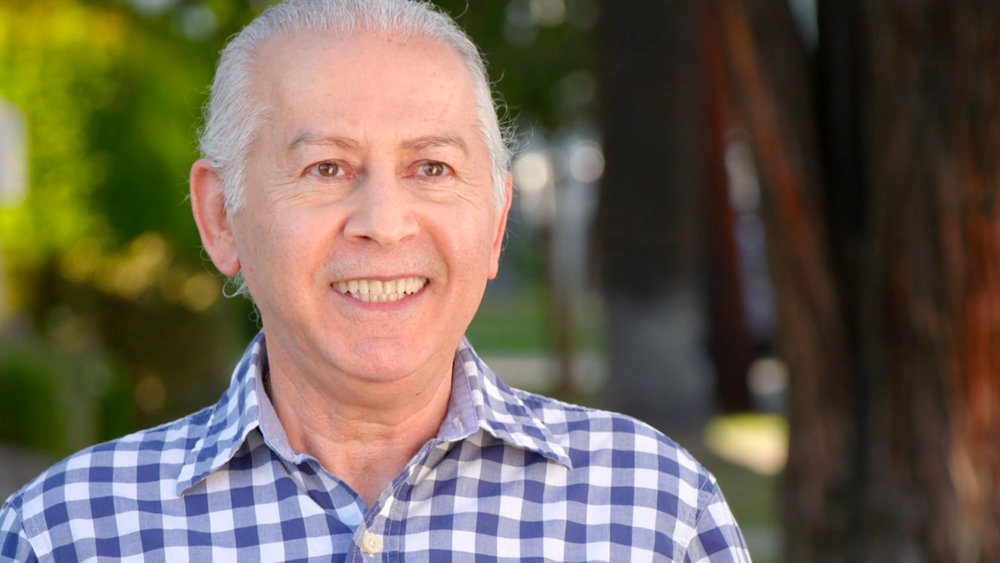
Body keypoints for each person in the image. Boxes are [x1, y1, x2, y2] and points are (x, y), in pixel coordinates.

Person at [0, 0, 751, 560]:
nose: (384, 224)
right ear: (221, 217)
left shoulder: (655, 513)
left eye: (433, 168)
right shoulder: (68, 534)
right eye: (326, 168)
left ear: (495, 221)